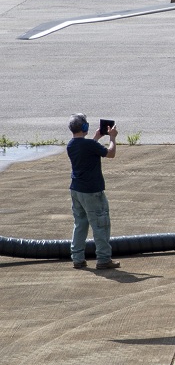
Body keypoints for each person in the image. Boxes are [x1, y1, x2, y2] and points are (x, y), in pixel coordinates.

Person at [67, 114, 121, 270]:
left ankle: (77, 258)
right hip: (92, 192)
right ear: (84, 127)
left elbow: (87, 149)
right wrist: (112, 138)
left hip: (76, 191)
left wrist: (96, 137)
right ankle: (104, 259)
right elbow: (110, 153)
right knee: (101, 225)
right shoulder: (89, 146)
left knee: (80, 224)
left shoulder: (71, 145)